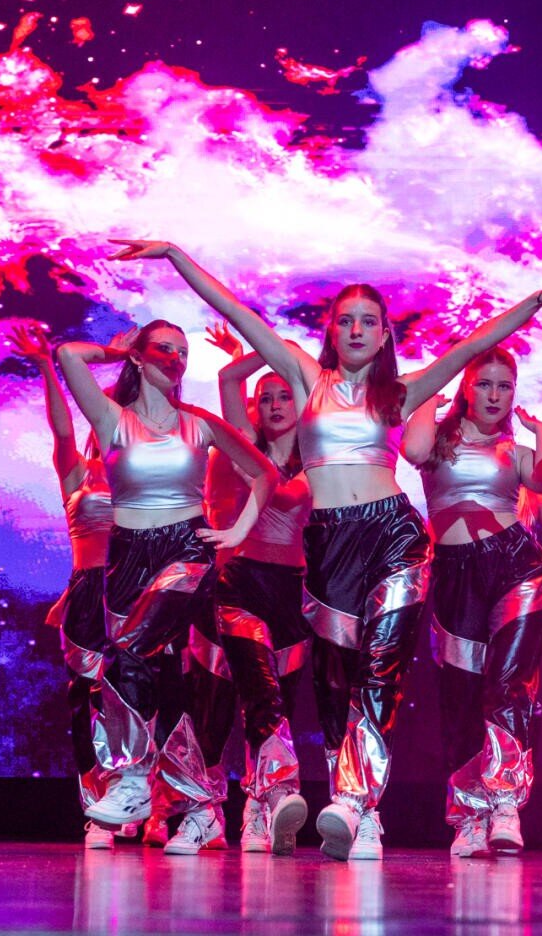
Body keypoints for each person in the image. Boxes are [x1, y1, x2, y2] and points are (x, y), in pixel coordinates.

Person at [107, 238, 542, 860]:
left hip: (392, 536)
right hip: (330, 544)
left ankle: (359, 807)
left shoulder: (399, 394)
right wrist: (175, 257)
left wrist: (533, 301)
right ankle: (352, 800)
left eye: (369, 321)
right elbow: (237, 311)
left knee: (380, 672)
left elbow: (471, 346)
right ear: (331, 332)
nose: (356, 329)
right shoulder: (306, 379)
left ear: (385, 333)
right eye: (345, 320)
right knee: (336, 683)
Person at [54, 320, 278, 855]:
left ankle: (130, 781)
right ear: (139, 356)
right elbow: (67, 354)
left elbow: (264, 474)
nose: (176, 358)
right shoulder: (112, 419)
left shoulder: (198, 424)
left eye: (183, 352)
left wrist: (238, 530)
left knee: (128, 652)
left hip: (187, 549)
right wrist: (117, 348)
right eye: (165, 349)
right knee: (164, 687)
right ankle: (201, 808)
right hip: (127, 555)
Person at [401, 346, 542, 858]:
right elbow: (412, 450)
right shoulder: (437, 441)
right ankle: (468, 814)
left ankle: (504, 801)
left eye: (505, 386)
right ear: (465, 387)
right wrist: (426, 403)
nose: (495, 395)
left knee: (510, 686)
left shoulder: (516, 455)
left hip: (515, 570)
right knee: (460, 694)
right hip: (455, 575)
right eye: (484, 384)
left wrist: (540, 430)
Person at [9, 321, 124, 850]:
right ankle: (99, 809)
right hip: (85, 592)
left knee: (141, 696)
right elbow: (61, 429)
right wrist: (44, 367)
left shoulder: (145, 479)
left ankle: (151, 802)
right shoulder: (77, 475)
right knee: (87, 698)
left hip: (134, 590)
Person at [210, 344, 316, 854]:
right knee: (260, 691)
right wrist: (277, 348)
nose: (275, 405)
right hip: (241, 582)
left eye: (284, 396)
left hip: (293, 589)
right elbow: (230, 381)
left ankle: (256, 805)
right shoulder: (243, 448)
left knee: (281, 699)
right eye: (266, 398)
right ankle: (279, 790)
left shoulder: (318, 458)